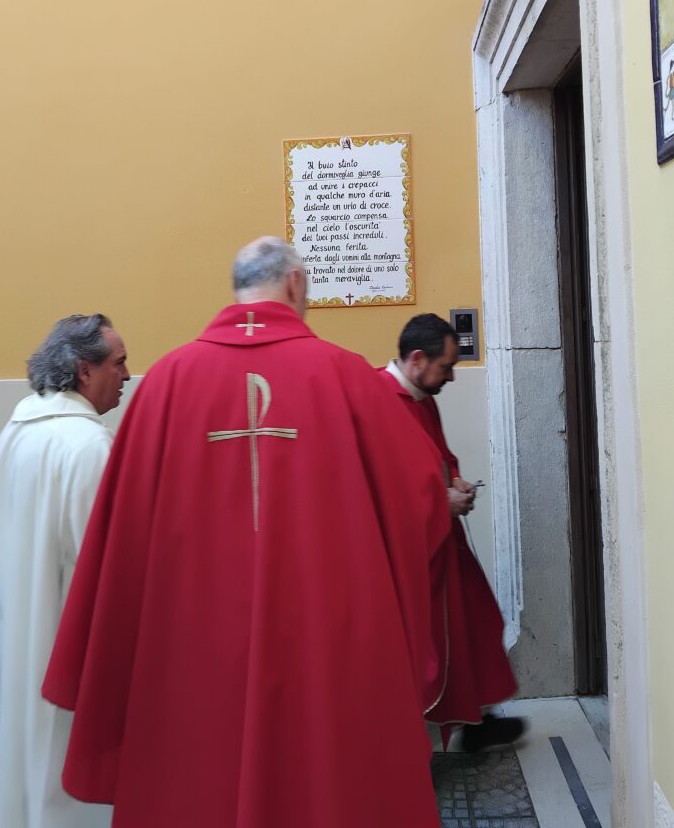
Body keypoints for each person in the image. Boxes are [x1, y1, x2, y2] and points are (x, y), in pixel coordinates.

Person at [43, 237, 454, 828]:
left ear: (237, 290)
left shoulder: (166, 382)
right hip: (323, 639)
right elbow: (420, 501)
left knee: (199, 781)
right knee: (325, 781)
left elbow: (119, 534)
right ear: (295, 284)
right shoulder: (346, 375)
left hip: (189, 644)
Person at [0, 314, 130, 828]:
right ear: (84, 371)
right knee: (66, 773)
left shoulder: (16, 431)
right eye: (118, 363)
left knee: (30, 764)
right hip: (69, 646)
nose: (127, 375)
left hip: (21, 632)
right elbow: (108, 568)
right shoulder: (89, 447)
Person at [380, 313, 524, 752]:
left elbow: (438, 457)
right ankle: (416, 745)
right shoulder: (377, 400)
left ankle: (475, 720)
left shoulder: (422, 397)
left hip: (442, 542)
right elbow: (376, 484)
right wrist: (438, 502)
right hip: (408, 557)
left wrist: (455, 481)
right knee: (427, 650)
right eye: (446, 367)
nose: (451, 377)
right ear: (417, 360)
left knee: (478, 621)